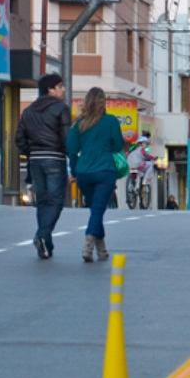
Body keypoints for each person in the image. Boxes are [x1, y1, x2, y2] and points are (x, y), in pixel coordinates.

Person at [15, 73, 71, 259]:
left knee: (42, 202)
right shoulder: (61, 108)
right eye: (60, 86)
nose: (63, 90)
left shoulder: (28, 111)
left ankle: (46, 245)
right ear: (50, 89)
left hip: (35, 160)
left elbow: (19, 139)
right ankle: (42, 235)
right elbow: (66, 138)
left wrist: (31, 152)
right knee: (55, 201)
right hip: (55, 158)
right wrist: (70, 155)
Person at [67, 87, 124, 263]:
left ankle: (102, 250)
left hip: (84, 172)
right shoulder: (111, 121)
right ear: (103, 102)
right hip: (105, 171)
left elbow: (71, 149)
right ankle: (88, 245)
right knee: (98, 210)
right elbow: (118, 145)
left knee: (95, 210)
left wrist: (74, 170)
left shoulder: (78, 123)